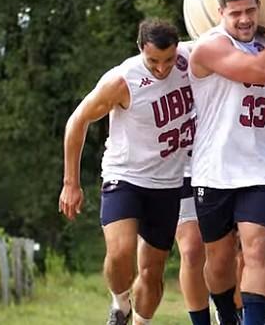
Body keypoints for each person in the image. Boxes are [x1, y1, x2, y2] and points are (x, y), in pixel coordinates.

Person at [59, 19, 196, 325]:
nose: (161, 69)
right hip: (125, 177)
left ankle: (140, 322)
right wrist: (71, 183)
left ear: (177, 50)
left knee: (152, 272)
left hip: (168, 183)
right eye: (153, 61)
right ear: (140, 49)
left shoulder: (189, 57)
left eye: (168, 60)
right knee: (121, 252)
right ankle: (120, 304)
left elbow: (225, 30)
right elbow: (77, 121)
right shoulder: (122, 81)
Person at [189, 0, 265, 325]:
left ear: (259, 8)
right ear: (221, 13)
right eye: (235, 13)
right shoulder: (210, 46)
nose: (245, 20)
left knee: (257, 249)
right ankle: (225, 312)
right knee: (219, 261)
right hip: (214, 170)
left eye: (250, 11)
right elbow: (261, 71)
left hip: (258, 167)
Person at [175, 159, 212, 325]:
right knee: (192, 251)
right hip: (183, 169)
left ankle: (227, 309)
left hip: (226, 167)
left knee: (230, 251)